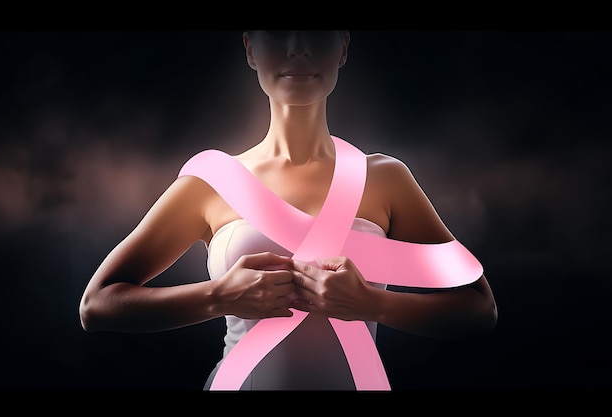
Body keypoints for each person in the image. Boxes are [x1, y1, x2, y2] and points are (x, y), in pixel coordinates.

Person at [79, 30, 498, 390]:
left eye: (316, 32)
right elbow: (97, 305)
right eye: (279, 31)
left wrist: (371, 304)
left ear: (343, 46)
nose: (298, 48)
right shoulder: (211, 183)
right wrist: (217, 296)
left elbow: (479, 309)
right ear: (250, 47)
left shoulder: (386, 179)